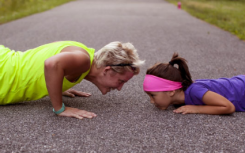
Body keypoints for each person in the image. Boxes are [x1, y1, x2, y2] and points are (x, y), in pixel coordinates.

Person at [0, 41, 144, 119]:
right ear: (107, 70)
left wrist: (57, 85)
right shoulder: (83, 60)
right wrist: (60, 108)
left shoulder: (84, 55)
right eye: (121, 81)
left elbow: (50, 65)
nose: (119, 88)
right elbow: (51, 64)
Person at [143, 53, 245, 115]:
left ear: (171, 91)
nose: (151, 101)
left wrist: (196, 109)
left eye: (153, 95)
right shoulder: (179, 97)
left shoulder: (195, 91)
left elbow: (228, 107)